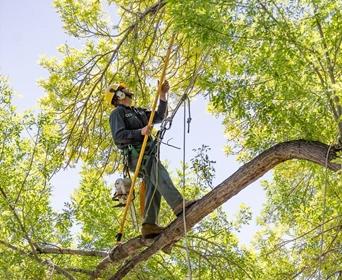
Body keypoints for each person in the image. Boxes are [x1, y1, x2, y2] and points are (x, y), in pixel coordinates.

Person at [105, 81, 195, 238]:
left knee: (153, 182)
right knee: (157, 171)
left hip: (149, 152)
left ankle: (149, 225)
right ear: (118, 95)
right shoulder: (117, 114)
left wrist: (162, 96)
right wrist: (140, 132)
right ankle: (178, 204)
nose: (127, 91)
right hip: (135, 155)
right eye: (123, 90)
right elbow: (119, 137)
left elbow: (159, 116)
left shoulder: (137, 112)